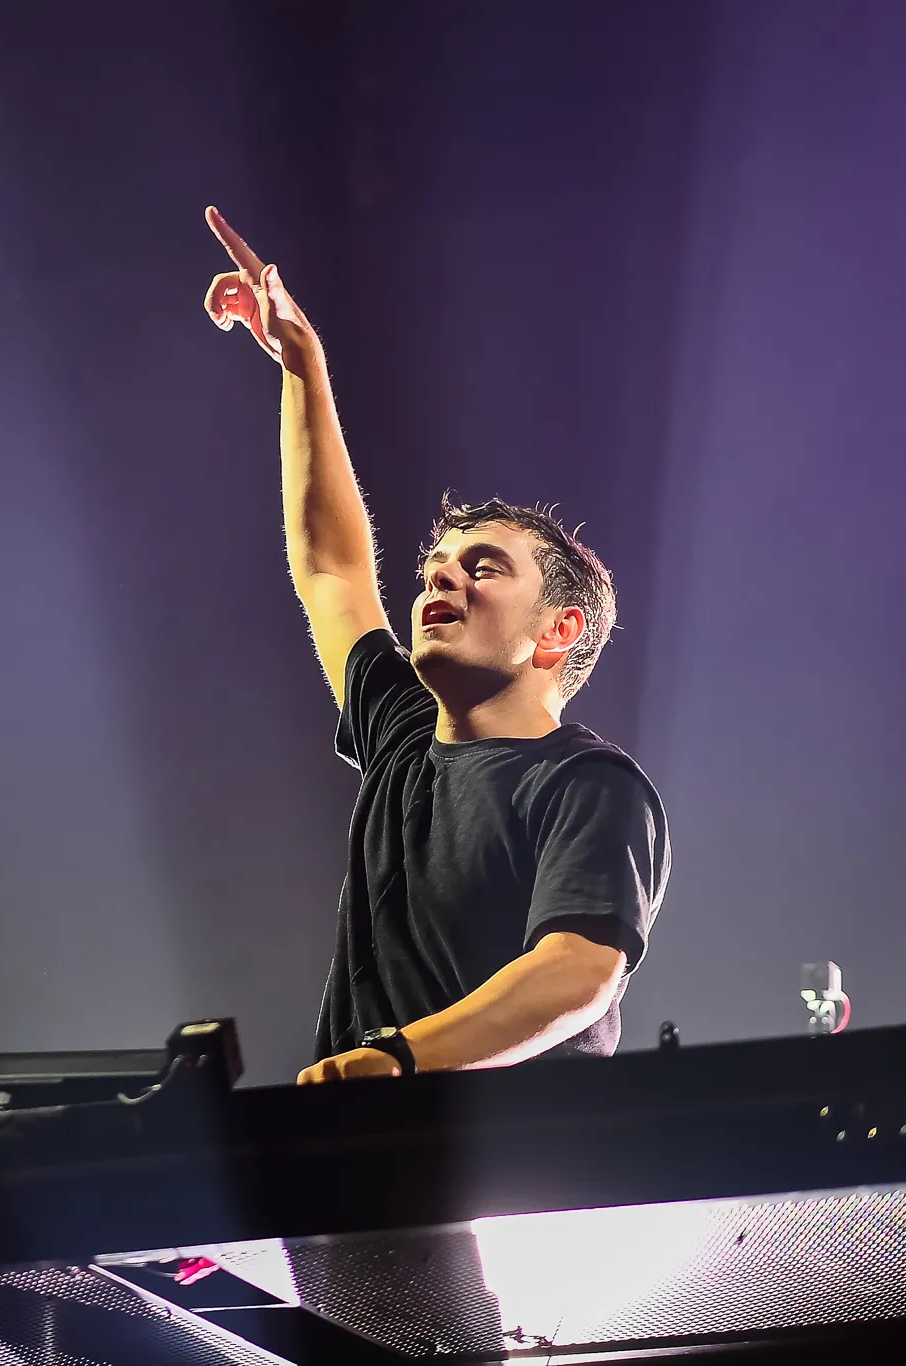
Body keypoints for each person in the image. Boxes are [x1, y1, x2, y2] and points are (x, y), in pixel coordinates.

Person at [202, 207, 671, 1084]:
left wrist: (396, 1062)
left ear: (558, 631)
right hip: (372, 1153)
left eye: (482, 567)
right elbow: (333, 567)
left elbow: (578, 973)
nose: (439, 580)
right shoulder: (403, 737)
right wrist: (303, 365)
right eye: (433, 568)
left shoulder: (588, 784)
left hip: (529, 1161)